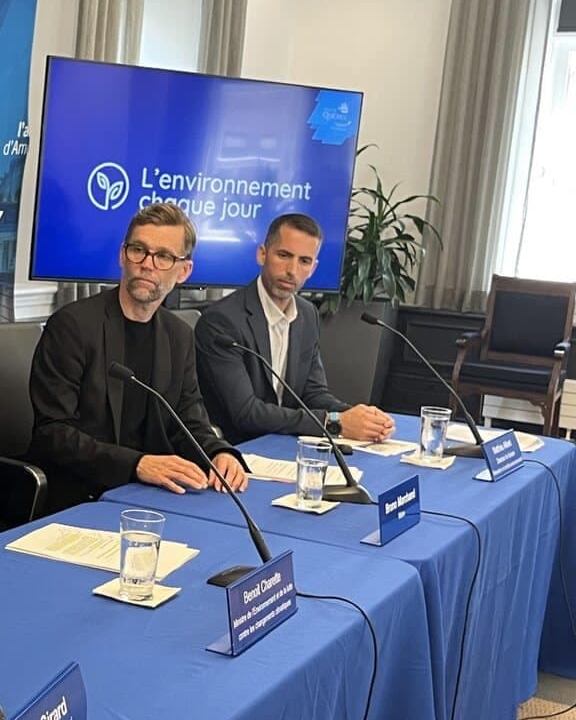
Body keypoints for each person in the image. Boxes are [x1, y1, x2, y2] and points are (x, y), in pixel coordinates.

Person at [28, 202, 248, 513]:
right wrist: (136, 465)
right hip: (83, 495)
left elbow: (188, 417)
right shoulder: (73, 326)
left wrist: (218, 453)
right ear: (122, 255)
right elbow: (52, 434)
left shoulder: (179, 334)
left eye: (163, 257)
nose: (147, 264)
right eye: (138, 250)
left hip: (153, 497)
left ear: (184, 271)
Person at [194, 213, 396, 444]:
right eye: (283, 255)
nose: (292, 270)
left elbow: (313, 394)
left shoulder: (307, 314)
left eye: (304, 261)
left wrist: (360, 418)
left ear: (313, 268)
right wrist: (334, 422)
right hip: (236, 449)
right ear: (262, 254)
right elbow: (245, 413)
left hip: (288, 443)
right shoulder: (222, 321)